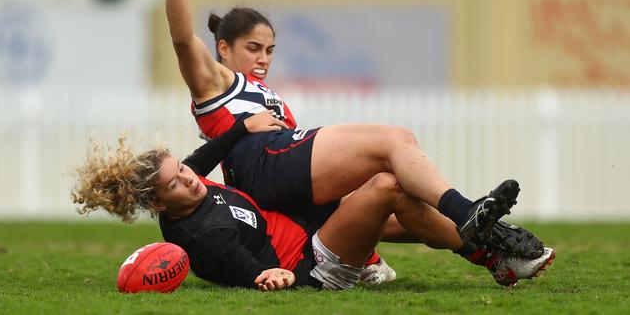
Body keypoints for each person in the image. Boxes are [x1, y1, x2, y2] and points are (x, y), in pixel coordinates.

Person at [164, 0, 548, 273]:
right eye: (253, 48)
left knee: (395, 192)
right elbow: (182, 38)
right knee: (394, 140)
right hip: (259, 166)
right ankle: (467, 211)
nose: (263, 58)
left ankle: (494, 253)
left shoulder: (264, 92)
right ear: (224, 47)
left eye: (269, 50)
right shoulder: (214, 81)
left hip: (283, 193)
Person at [71, 114, 555, 290]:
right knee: (386, 185)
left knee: (404, 199)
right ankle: (479, 230)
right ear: (157, 204)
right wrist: (263, 275)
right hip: (313, 266)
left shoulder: (190, 184)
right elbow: (228, 258)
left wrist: (240, 129)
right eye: (175, 183)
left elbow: (203, 157)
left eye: (181, 170)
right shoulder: (199, 233)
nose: (190, 181)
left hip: (311, 233)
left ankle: (494, 253)